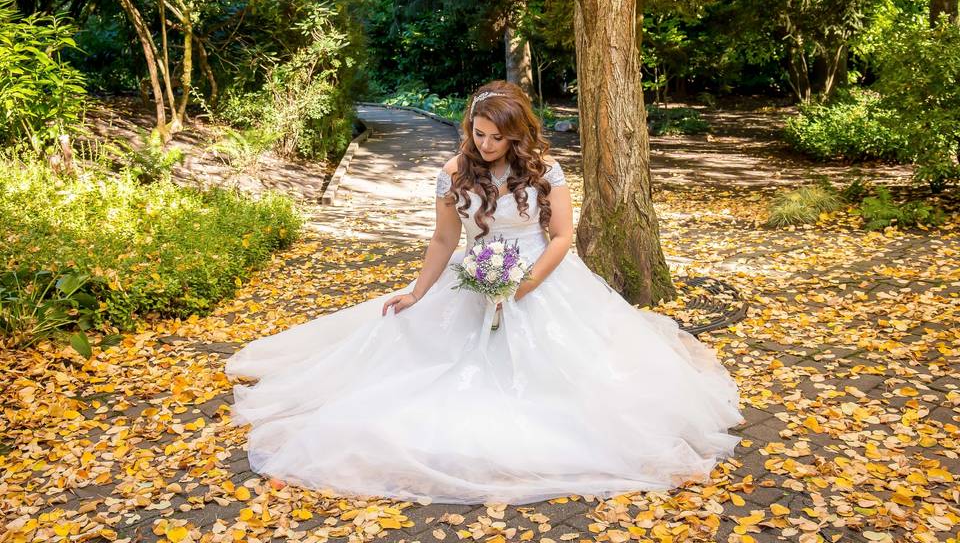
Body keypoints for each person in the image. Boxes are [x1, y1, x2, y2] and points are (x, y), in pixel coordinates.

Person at [225, 80, 745, 506]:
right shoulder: (453, 172)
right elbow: (444, 238)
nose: (485, 145)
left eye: (496, 137)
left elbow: (562, 237)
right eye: (478, 134)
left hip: (542, 278)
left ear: (515, 135)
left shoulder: (545, 172)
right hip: (472, 276)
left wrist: (526, 284)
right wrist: (418, 293)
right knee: (412, 349)